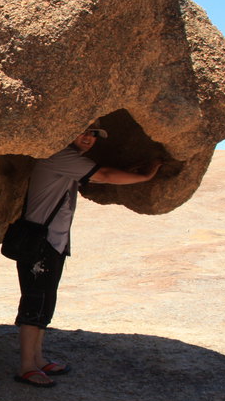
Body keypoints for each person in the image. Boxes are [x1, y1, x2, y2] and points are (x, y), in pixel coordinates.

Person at [14, 124, 161, 387]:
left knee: (45, 300)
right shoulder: (58, 155)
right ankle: (26, 366)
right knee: (35, 301)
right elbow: (103, 175)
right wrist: (144, 178)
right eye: (84, 131)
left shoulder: (73, 161)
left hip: (53, 242)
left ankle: (37, 359)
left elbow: (96, 175)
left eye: (94, 134)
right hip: (40, 241)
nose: (89, 138)